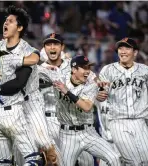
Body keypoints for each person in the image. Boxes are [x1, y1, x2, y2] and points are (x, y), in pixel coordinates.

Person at [0, 5, 59, 165]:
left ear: (19, 27)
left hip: (30, 102)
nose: (5, 23)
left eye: (10, 21)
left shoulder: (28, 50)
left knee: (44, 143)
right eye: (5, 20)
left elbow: (24, 75)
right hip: (8, 104)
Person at [0, 35, 45, 165]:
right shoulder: (7, 58)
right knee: (35, 159)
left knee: (4, 163)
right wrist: (35, 52)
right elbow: (33, 60)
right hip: (13, 113)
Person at [39, 55, 121, 166]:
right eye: (84, 68)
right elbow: (36, 70)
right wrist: (41, 68)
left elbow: (86, 107)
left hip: (88, 133)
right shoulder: (59, 77)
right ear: (73, 69)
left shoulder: (91, 85)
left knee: (114, 158)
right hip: (67, 135)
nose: (87, 71)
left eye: (89, 68)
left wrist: (67, 91)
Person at [38, 33, 95, 166]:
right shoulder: (38, 69)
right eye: (48, 44)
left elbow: (93, 78)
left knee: (87, 162)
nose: (52, 47)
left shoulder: (73, 64)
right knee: (61, 163)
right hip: (49, 121)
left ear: (62, 47)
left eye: (56, 44)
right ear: (44, 48)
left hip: (75, 119)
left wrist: (100, 88)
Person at [97, 37, 148, 165]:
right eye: (120, 48)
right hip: (118, 122)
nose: (123, 51)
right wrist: (100, 95)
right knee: (133, 161)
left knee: (145, 160)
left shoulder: (144, 70)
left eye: (127, 48)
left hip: (140, 122)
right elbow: (101, 92)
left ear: (135, 52)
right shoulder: (108, 70)